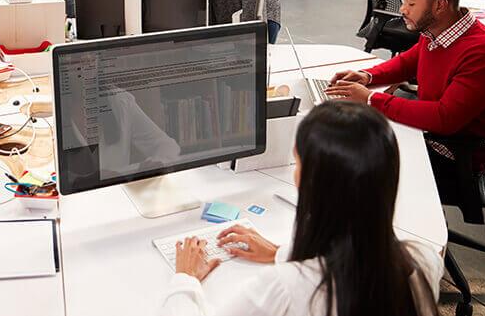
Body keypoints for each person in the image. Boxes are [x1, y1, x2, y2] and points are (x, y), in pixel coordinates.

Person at [160, 102, 443, 316]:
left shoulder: (285, 289)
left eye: (297, 162)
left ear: (314, 182)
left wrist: (185, 279)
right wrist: (281, 254)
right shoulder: (426, 260)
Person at [327, 0, 485, 195]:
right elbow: (408, 62)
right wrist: (368, 76)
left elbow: (445, 118)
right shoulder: (437, 29)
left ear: (439, 5)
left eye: (411, 4)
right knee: (347, 138)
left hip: (455, 154)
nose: (403, 9)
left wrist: (372, 100)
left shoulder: (484, 52)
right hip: (431, 133)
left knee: (350, 159)